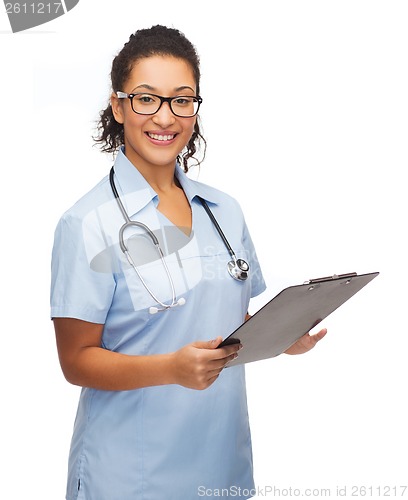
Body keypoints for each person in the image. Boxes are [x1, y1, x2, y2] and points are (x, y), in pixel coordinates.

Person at [51, 25, 327, 500]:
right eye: (146, 99)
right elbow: (76, 361)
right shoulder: (86, 224)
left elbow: (223, 320)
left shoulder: (224, 211)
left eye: (182, 99)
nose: (166, 116)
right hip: (131, 476)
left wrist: (282, 335)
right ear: (118, 107)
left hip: (222, 467)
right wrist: (170, 370)